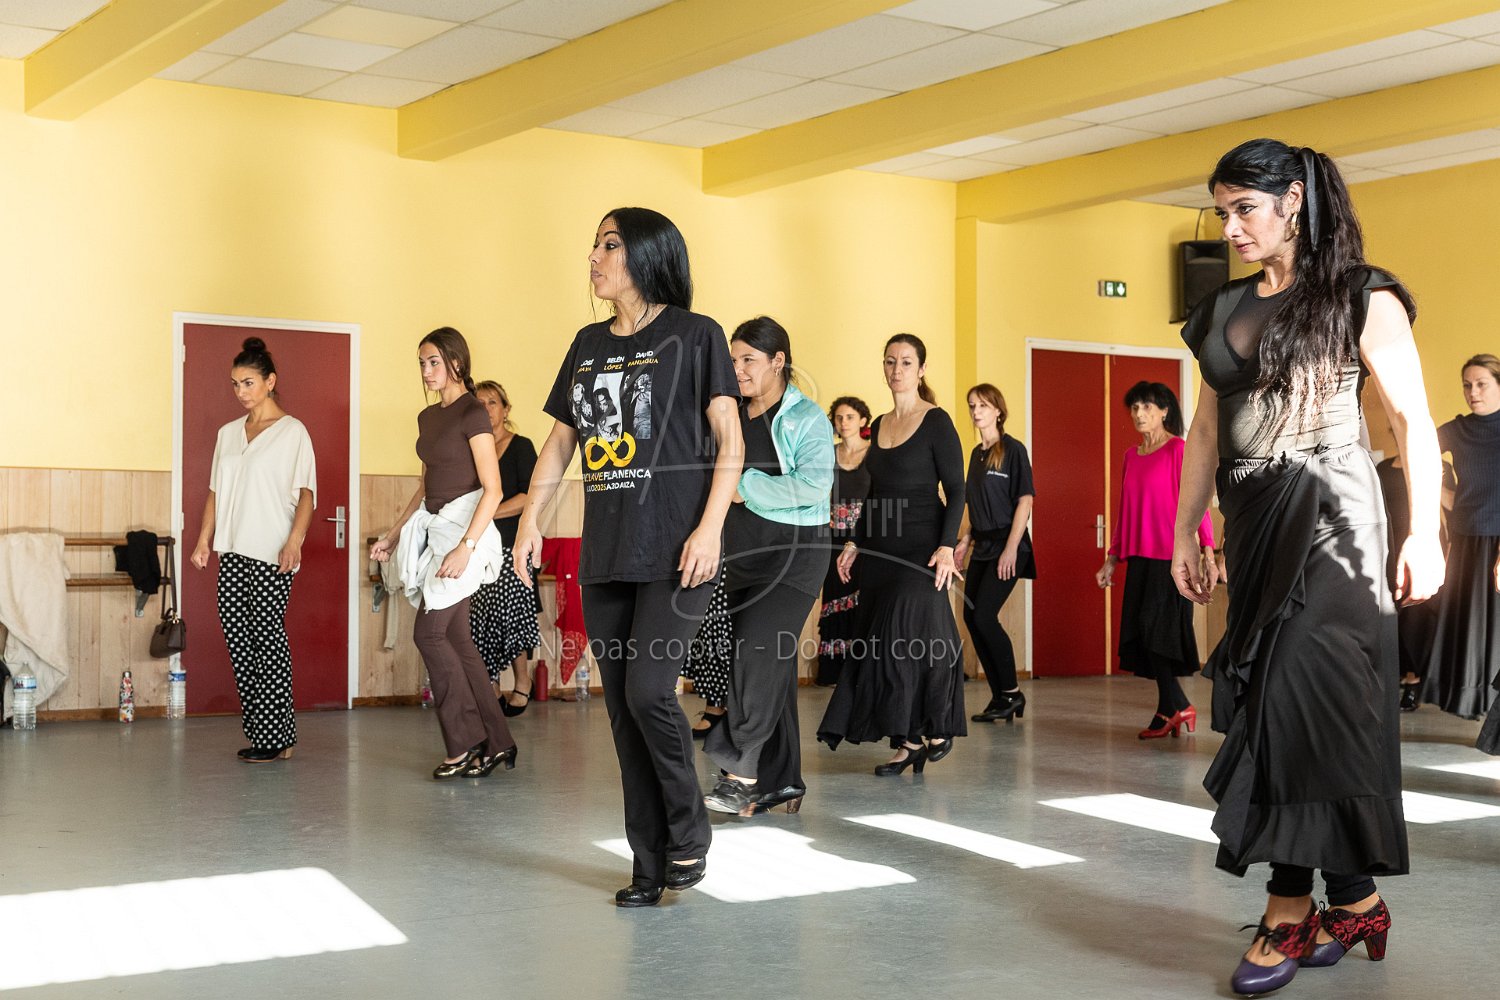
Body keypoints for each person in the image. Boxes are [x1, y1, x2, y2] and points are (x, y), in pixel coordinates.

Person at [1173, 139, 1443, 997]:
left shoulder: (1362, 296)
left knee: (1294, 695)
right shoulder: (1220, 309)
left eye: (1244, 209)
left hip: (1336, 519)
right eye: (1222, 211)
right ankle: (1354, 897)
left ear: (1293, 200)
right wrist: (1186, 531)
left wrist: (1427, 534)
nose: (1231, 227)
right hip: (1252, 522)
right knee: (1280, 701)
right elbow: (1206, 434)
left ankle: (1287, 905)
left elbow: (1412, 420)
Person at [512, 207, 742, 908]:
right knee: (621, 711)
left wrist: (710, 529)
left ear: (646, 255)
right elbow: (560, 444)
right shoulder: (586, 344)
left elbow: (730, 439)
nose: (594, 256)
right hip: (607, 553)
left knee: (649, 693)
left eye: (609, 244)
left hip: (678, 550)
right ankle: (648, 864)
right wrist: (530, 523)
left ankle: (689, 830)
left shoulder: (696, 335)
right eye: (594, 244)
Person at [370, 328, 517, 781]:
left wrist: (465, 548)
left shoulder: (473, 413)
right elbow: (425, 486)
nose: (426, 370)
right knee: (458, 642)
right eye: (421, 362)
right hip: (436, 533)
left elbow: (493, 490)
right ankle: (498, 742)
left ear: (456, 362)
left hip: (465, 536)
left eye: (433, 361)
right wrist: (394, 535)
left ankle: (465, 740)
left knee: (429, 634)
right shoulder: (427, 418)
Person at [701, 317, 834, 816]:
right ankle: (784, 781)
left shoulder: (806, 417)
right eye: (732, 359)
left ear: (778, 361)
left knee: (756, 652)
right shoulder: (728, 415)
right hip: (744, 560)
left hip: (796, 558)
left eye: (748, 359)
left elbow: (815, 485)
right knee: (770, 665)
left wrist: (746, 486)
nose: (737, 369)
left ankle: (740, 773)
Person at [817, 334, 967, 775]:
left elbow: (957, 489)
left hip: (922, 549)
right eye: (890, 361)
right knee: (885, 649)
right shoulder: (879, 424)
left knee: (920, 637)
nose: (896, 369)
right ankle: (908, 742)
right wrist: (854, 543)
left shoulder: (936, 421)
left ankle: (936, 723)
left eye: (905, 362)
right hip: (880, 551)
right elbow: (875, 494)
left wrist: (946, 547)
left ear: (921, 369)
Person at [190, 337, 316, 763]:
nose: (240, 392)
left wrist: (294, 541)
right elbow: (215, 491)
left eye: (248, 383)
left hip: (271, 551)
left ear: (270, 382)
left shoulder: (293, 432)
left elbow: (306, 494)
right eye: (235, 384)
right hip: (232, 550)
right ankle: (263, 733)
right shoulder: (228, 434)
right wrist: (204, 540)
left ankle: (279, 737)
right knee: (240, 642)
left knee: (267, 640)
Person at [1096, 381, 1214, 739]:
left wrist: (1209, 549)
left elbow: (1198, 500)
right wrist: (1112, 558)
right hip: (1139, 558)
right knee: (1143, 634)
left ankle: (1174, 707)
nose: (1139, 413)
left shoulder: (1178, 449)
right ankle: (1174, 708)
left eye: (1147, 406)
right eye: (1135, 407)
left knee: (1156, 632)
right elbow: (1125, 511)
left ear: (1164, 411)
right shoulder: (1131, 456)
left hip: (1172, 560)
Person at [1422, 354, 1500, 736]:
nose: (1473, 392)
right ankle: (1473, 702)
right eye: (1467, 385)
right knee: (1472, 626)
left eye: (1482, 384)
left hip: (1498, 540)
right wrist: (1442, 493)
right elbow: (1417, 450)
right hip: (1467, 538)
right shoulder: (1458, 429)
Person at [954, 384, 1035, 725]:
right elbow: (977, 506)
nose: (976, 411)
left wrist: (1011, 549)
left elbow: (1025, 501)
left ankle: (1013, 693)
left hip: (1009, 546)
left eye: (983, 406)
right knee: (972, 618)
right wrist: (964, 541)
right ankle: (1000, 695)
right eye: (972, 405)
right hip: (982, 546)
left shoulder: (1013, 450)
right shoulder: (976, 454)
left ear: (998, 411)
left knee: (985, 616)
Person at [467, 380, 543, 716]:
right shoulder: (474, 446)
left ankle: (522, 682)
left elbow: (530, 496)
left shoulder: (521, 446)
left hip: (513, 546)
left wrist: (489, 513)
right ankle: (492, 685)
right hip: (478, 546)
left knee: (511, 615)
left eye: (492, 402)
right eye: (479, 403)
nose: (486, 409)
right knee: (481, 617)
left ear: (506, 409)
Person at [816, 396, 872, 687]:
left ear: (863, 420)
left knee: (862, 599)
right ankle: (834, 671)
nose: (843, 422)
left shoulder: (874, 453)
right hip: (832, 537)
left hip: (864, 537)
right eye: (839, 417)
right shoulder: (828, 453)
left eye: (850, 416)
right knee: (834, 598)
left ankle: (860, 670)